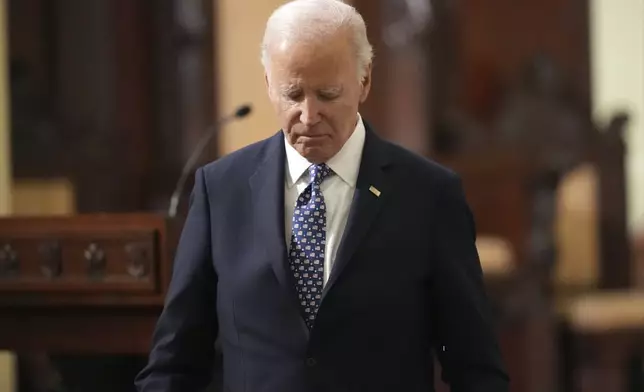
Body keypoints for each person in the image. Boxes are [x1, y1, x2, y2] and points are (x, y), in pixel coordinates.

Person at [135, 0, 509, 391]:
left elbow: (476, 367)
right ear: (267, 83)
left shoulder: (429, 195)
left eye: (327, 95)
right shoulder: (220, 190)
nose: (309, 115)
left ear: (364, 81)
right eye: (293, 95)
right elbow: (174, 364)